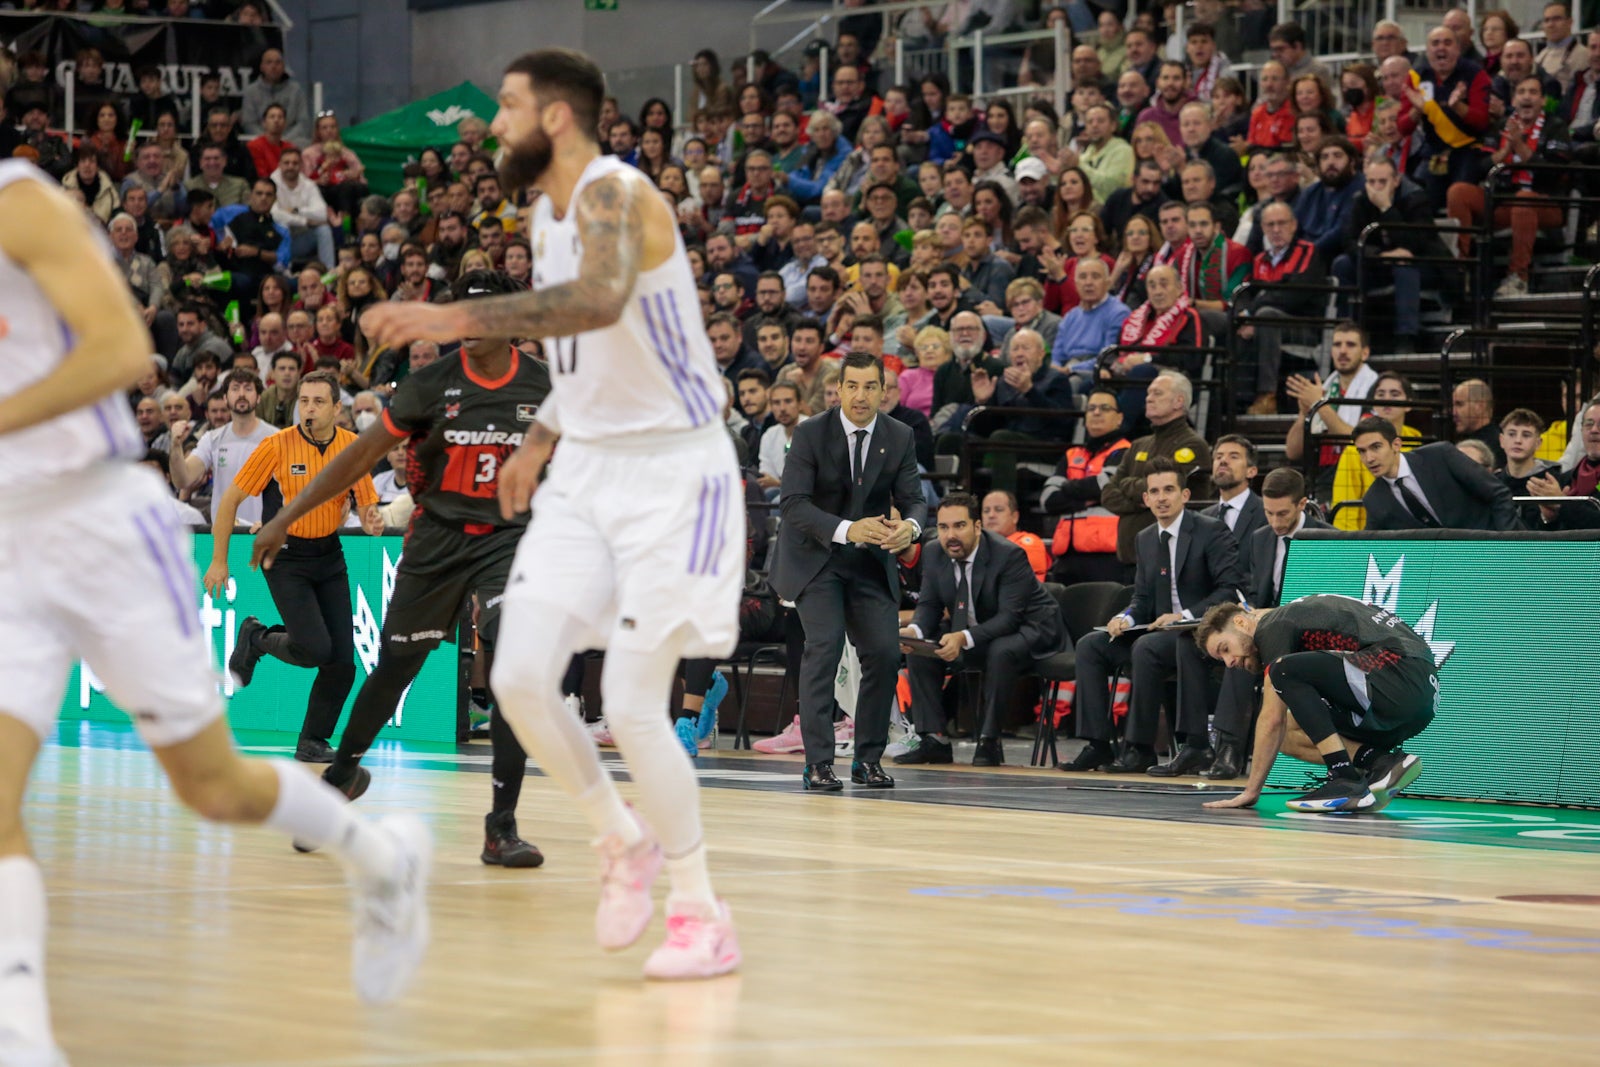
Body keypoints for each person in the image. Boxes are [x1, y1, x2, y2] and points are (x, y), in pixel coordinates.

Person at [0, 162, 429, 1067]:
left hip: (98, 522)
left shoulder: (20, 201)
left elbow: (120, 350)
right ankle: (24, 1037)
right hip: (10, 543)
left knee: (213, 785)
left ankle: (383, 857)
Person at [358, 48, 746, 980]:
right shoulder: (542, 214)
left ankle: (700, 909)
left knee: (628, 702)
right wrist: (538, 433)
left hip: (673, 472)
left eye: (506, 106)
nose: (493, 124)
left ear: (557, 118)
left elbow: (602, 297)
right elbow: (588, 354)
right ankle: (620, 837)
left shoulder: (615, 193)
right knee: (521, 678)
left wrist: (455, 320)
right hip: (587, 469)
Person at [251, 271, 550, 868]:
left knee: (514, 668)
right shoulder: (429, 385)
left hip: (509, 541)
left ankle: (501, 827)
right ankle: (339, 778)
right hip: (436, 542)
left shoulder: (543, 386)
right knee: (394, 670)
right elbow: (356, 456)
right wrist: (284, 518)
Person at [207, 371, 384, 765]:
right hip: (284, 556)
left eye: (319, 402)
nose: (309, 408)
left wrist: (372, 519)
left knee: (342, 664)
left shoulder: (352, 447)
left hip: (329, 556)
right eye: (303, 401)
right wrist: (218, 560)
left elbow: (366, 503)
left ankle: (312, 741)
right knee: (314, 649)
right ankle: (256, 638)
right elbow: (229, 502)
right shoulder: (276, 446)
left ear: (338, 408)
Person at [768, 349, 924, 790]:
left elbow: (914, 499)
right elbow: (793, 504)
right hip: (817, 559)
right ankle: (818, 762)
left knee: (884, 653)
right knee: (826, 645)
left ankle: (867, 760)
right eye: (852, 385)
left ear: (883, 390)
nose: (860, 395)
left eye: (870, 386)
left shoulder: (899, 435)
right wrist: (848, 529)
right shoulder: (811, 432)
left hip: (870, 562)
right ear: (837, 389)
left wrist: (908, 529)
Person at [1060, 457, 1243, 775]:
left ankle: (1142, 748)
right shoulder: (1145, 538)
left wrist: (1183, 616)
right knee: (1092, 644)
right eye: (1154, 491)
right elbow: (1142, 598)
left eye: (1169, 489)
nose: (1161, 497)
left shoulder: (1211, 531)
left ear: (1184, 495)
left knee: (1145, 648)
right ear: (1145, 498)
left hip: (1200, 632)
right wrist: (1125, 618)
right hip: (1158, 632)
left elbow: (1229, 591)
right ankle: (1098, 744)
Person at [1196, 596, 1436, 813]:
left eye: (1225, 649)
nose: (1229, 662)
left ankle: (1344, 778)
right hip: (1414, 695)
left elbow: (1272, 719)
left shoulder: (1271, 626)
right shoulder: (1291, 617)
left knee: (1283, 671)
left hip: (1399, 673)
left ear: (1240, 622)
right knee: (1290, 731)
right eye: (1221, 659)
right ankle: (1382, 763)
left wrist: (1250, 792)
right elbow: (1282, 727)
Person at [896, 493, 1065, 767]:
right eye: (943, 527)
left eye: (959, 526)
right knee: (922, 651)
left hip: (1032, 629)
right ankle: (933, 739)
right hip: (975, 631)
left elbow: (1010, 618)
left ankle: (989, 740)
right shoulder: (933, 551)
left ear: (977, 527)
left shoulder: (1008, 555)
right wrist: (915, 632)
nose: (950, 535)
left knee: (1001, 651)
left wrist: (963, 638)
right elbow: (929, 605)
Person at [1354, 416, 1523, 531]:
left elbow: (1498, 494)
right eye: (1361, 451)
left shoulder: (1440, 455)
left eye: (1376, 447)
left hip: (1492, 549)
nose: (1369, 458)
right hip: (1441, 574)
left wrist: (1504, 545)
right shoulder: (1374, 499)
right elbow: (1373, 547)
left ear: (1396, 445)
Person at [1040, 386, 1132, 585]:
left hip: (1107, 558)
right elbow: (1048, 499)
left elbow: (1104, 487)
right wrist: (1087, 497)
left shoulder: (1125, 452)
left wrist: (1069, 489)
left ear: (1119, 418)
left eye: (1105, 408)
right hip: (1067, 557)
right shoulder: (1072, 455)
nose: (1096, 412)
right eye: (1091, 408)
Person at [168, 369, 275, 526]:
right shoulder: (212, 439)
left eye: (248, 388)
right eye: (235, 388)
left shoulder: (277, 438)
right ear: (225, 398)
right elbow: (183, 480)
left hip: (263, 537)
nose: (241, 394)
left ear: (259, 397)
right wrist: (176, 446)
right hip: (224, 537)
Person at [981, 489, 1049, 581]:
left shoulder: (1029, 544)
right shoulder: (978, 545)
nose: (991, 515)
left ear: (1014, 517)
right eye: (986, 511)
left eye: (999, 510)